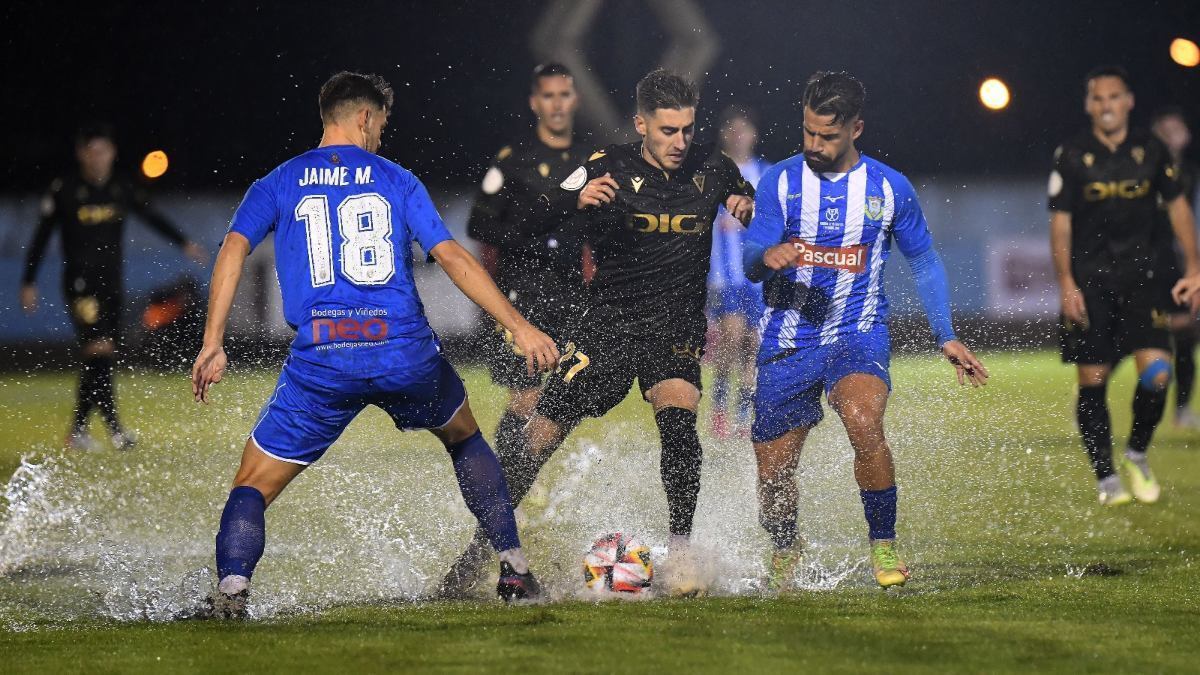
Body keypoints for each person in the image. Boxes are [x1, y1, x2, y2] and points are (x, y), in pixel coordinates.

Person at [190, 71, 559, 617]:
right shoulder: (397, 180)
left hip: (323, 360)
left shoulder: (277, 182)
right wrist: (517, 324)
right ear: (364, 117)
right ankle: (514, 570)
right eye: (382, 124)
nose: (382, 136)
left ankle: (232, 594)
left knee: (252, 485)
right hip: (403, 351)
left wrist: (213, 341)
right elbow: (454, 257)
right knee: (465, 439)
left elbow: (232, 251)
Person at [442, 69, 755, 597]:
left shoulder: (713, 167)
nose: (679, 143)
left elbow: (749, 203)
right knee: (538, 438)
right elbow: (529, 220)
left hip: (672, 328)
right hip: (605, 326)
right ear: (641, 125)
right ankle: (482, 551)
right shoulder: (604, 166)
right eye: (667, 131)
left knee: (679, 420)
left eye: (686, 130)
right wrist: (575, 201)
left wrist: (746, 207)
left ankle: (681, 556)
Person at [742, 71, 988, 591]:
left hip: (858, 331)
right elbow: (748, 259)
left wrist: (944, 333)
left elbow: (923, 260)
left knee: (862, 420)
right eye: (807, 132)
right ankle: (786, 549)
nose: (813, 145)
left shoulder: (889, 187)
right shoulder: (780, 182)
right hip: (788, 341)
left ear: (857, 128)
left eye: (827, 136)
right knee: (774, 476)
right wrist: (766, 256)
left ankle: (884, 545)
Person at [441, 63, 589, 597]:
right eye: (547, 95)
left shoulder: (588, 161)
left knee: (558, 405)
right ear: (535, 102)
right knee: (525, 402)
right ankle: (502, 497)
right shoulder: (514, 160)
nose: (556, 104)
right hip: (521, 301)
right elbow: (479, 224)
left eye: (564, 95)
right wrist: (536, 229)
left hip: (573, 298)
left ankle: (507, 488)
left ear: (573, 100)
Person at [1050, 67, 1198, 507]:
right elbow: (1060, 223)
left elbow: (1179, 210)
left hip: (1145, 281)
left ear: (1129, 101)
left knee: (1157, 373)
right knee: (1092, 380)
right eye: (1098, 98)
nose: (1106, 105)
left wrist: (1193, 267)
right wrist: (1065, 283)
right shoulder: (1072, 154)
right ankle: (1106, 477)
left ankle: (1136, 454)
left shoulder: (1153, 152)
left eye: (1114, 97)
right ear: (1088, 105)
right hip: (1092, 284)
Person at [21, 123, 207, 451]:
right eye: (92, 151)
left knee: (101, 358)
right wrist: (28, 281)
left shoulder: (120, 188)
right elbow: (41, 236)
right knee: (99, 350)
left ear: (113, 153)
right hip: (80, 285)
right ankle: (116, 431)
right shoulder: (65, 189)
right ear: (81, 154)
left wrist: (184, 242)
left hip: (112, 285)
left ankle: (78, 430)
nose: (99, 158)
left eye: (104, 151)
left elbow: (150, 215)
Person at [707, 105, 772, 439]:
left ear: (754, 135)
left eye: (743, 130)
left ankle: (743, 416)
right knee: (731, 340)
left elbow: (779, 217)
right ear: (723, 136)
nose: (738, 136)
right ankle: (719, 409)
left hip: (758, 280)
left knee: (754, 345)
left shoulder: (767, 173)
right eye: (731, 130)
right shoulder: (712, 172)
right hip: (724, 277)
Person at [1149, 107, 1200, 427]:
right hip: (1138, 263)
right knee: (1126, 342)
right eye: (1165, 130)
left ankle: (1181, 411)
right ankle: (1087, 393)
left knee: (1184, 338)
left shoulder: (1188, 172)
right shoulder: (1140, 168)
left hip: (1171, 263)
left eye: (1176, 129)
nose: (1172, 135)